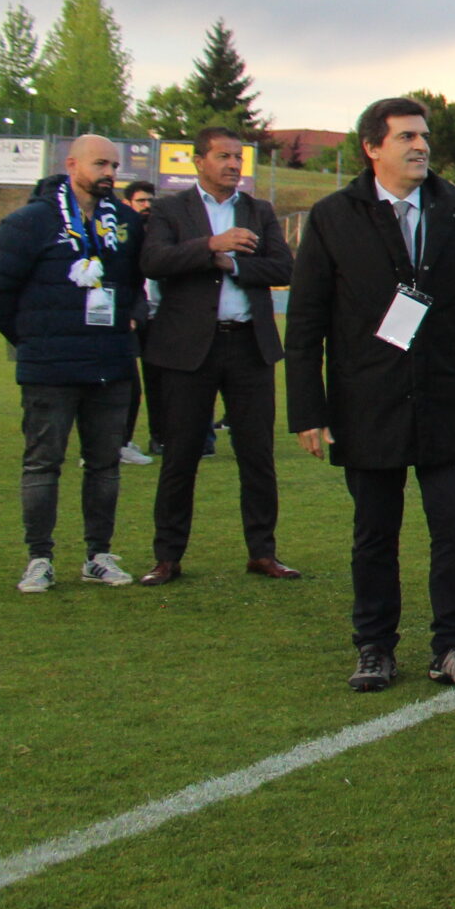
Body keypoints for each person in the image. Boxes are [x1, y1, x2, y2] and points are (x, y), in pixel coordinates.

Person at [285, 97, 455, 692]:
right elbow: (305, 322)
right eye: (407, 136)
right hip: (368, 402)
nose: (421, 146)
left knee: (454, 528)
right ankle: (374, 646)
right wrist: (309, 408)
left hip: (450, 401)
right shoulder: (334, 216)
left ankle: (454, 644)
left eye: (425, 136)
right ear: (372, 147)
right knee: (374, 532)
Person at [139, 127, 297, 583]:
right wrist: (211, 246)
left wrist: (235, 263)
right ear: (199, 161)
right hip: (188, 350)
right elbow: (153, 262)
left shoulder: (258, 211)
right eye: (223, 156)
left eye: (238, 158)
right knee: (181, 455)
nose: (233, 165)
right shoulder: (170, 210)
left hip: (249, 346)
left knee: (257, 454)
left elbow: (283, 267)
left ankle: (263, 552)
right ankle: (167, 556)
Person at [0, 134, 144, 592]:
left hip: (110, 364)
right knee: (43, 464)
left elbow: (137, 284)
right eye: (101, 164)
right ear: (71, 163)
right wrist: (31, 339)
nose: (110, 174)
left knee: (104, 465)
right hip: (49, 368)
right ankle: (40, 557)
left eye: (115, 166)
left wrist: (131, 318)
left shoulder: (128, 226)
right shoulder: (29, 222)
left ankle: (98, 554)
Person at [116, 179, 157, 466]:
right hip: (130, 318)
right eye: (141, 201)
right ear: (128, 202)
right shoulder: (121, 233)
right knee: (127, 386)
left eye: (150, 201)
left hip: (158, 319)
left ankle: (160, 438)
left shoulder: (159, 232)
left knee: (160, 385)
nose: (147, 206)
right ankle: (114, 444)